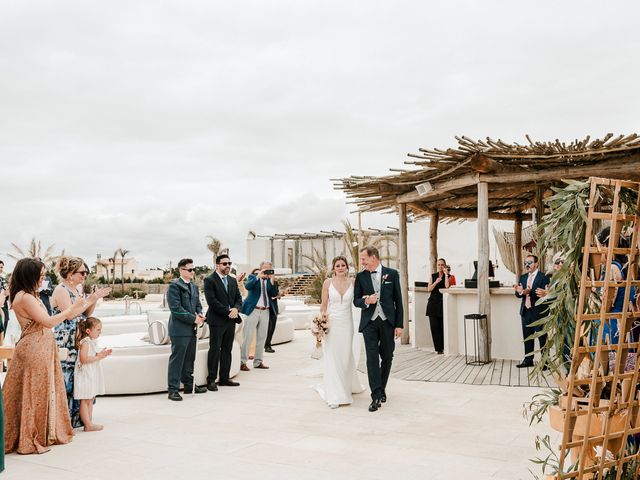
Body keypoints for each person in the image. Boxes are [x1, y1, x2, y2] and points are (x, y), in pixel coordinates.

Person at [3, 258, 92, 454]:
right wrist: (70, 309)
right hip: (33, 348)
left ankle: (44, 433)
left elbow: (65, 316)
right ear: (30, 275)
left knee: (42, 392)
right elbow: (49, 322)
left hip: (42, 346)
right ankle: (31, 438)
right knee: (33, 394)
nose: (43, 279)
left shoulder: (29, 295)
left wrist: (80, 305)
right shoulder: (24, 297)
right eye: (41, 275)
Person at [51, 256, 111, 427]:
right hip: (66, 340)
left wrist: (94, 299)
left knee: (80, 377)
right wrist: (90, 299)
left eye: (86, 272)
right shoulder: (61, 290)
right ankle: (64, 420)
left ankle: (79, 418)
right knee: (67, 378)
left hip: (78, 338)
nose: (85, 276)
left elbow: (86, 315)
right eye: (82, 272)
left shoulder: (77, 290)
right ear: (70, 274)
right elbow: (69, 314)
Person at [353, 246, 404, 413]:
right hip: (369, 322)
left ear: (373, 258)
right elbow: (356, 301)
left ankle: (381, 387)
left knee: (387, 356)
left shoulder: (392, 274)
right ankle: (375, 395)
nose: (362, 262)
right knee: (371, 358)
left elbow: (399, 301)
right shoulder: (360, 277)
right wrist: (367, 300)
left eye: (363, 259)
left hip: (387, 322)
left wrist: (399, 324)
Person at [315, 256, 364, 409]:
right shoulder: (327, 283)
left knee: (345, 355)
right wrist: (320, 324)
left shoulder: (353, 282)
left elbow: (358, 301)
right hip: (332, 324)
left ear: (347, 267)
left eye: (343, 265)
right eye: (338, 265)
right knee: (333, 357)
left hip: (347, 324)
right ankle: (336, 394)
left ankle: (348, 383)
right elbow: (324, 305)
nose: (341, 267)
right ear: (333, 268)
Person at [166, 258, 206, 401]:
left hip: (192, 329)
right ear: (181, 270)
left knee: (190, 358)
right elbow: (176, 309)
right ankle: (173, 389)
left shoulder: (194, 287)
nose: (192, 272)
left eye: (193, 269)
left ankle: (189, 385)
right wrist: (193, 318)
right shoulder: (174, 286)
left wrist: (200, 314)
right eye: (189, 269)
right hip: (179, 329)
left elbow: (197, 304)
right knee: (177, 360)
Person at [204, 254, 242, 391]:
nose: (228, 266)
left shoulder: (232, 280)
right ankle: (211, 380)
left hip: (231, 321)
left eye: (229, 263)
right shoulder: (209, 280)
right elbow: (212, 302)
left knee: (227, 349)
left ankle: (225, 378)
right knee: (215, 350)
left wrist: (236, 309)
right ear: (217, 265)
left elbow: (238, 298)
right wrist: (229, 311)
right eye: (224, 264)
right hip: (217, 321)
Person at [74, 317, 112, 431]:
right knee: (85, 399)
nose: (100, 332)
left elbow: (93, 356)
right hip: (85, 374)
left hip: (91, 374)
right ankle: (87, 424)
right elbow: (83, 359)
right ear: (88, 331)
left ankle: (89, 422)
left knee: (90, 398)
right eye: (98, 330)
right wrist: (98, 356)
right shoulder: (85, 342)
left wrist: (100, 354)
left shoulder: (92, 342)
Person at [240, 261, 278, 371]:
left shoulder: (271, 280)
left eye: (269, 269)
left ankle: (258, 361)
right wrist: (258, 276)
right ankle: (242, 362)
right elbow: (248, 286)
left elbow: (274, 293)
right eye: (264, 269)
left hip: (265, 311)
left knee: (262, 337)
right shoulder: (253, 277)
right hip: (253, 310)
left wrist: (272, 280)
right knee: (248, 337)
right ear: (260, 268)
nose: (266, 271)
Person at [515, 254, 550, 368]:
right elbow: (518, 294)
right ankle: (528, 360)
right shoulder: (523, 277)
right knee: (527, 337)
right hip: (526, 311)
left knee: (542, 338)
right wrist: (520, 292)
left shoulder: (544, 277)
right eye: (525, 263)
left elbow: (545, 293)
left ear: (536, 264)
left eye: (529, 262)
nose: (527, 265)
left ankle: (545, 362)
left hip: (539, 312)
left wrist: (529, 291)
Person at [425, 258, 450, 355]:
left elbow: (447, 287)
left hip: (442, 304)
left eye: (442, 265)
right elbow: (429, 289)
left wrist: (446, 274)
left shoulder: (448, 276)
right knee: (434, 327)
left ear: (445, 265)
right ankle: (438, 349)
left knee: (442, 327)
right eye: (439, 265)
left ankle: (444, 347)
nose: (440, 266)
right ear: (437, 266)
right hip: (432, 304)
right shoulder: (433, 276)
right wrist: (436, 282)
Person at [264, 278, 281, 354]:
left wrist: (278, 294)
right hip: (262, 307)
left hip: (273, 307)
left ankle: (268, 345)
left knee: (271, 327)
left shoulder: (274, 281)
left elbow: (276, 293)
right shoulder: (259, 281)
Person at [0, 260, 8, 334]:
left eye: (2, 267)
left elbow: (7, 296)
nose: (0, 269)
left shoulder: (4, 280)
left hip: (4, 307)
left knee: (5, 324)